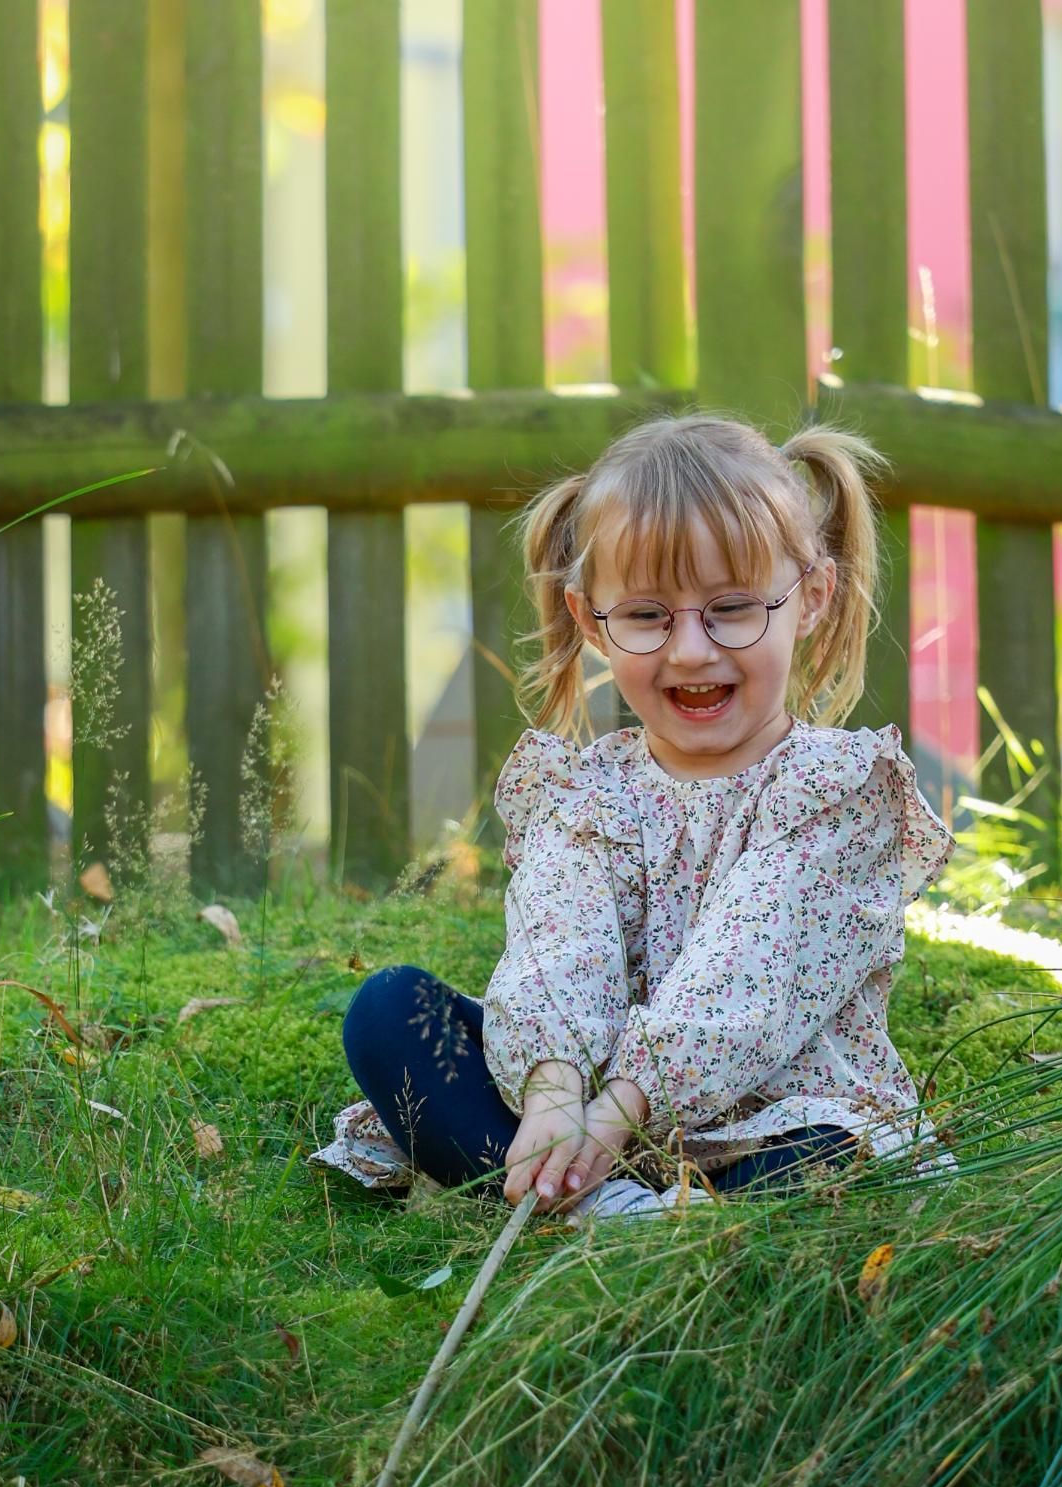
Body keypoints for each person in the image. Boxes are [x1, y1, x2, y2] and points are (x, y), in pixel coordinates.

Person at [313, 411, 953, 1220]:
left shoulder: (834, 791)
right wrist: (552, 1099)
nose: (691, 649)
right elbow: (560, 941)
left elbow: (749, 971)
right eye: (649, 615)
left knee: (829, 1157)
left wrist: (624, 1107)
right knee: (389, 1013)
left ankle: (616, 1213)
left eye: (732, 608)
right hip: (587, 1113)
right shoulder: (588, 793)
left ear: (813, 597)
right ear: (591, 621)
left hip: (769, 1115)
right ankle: (594, 1199)